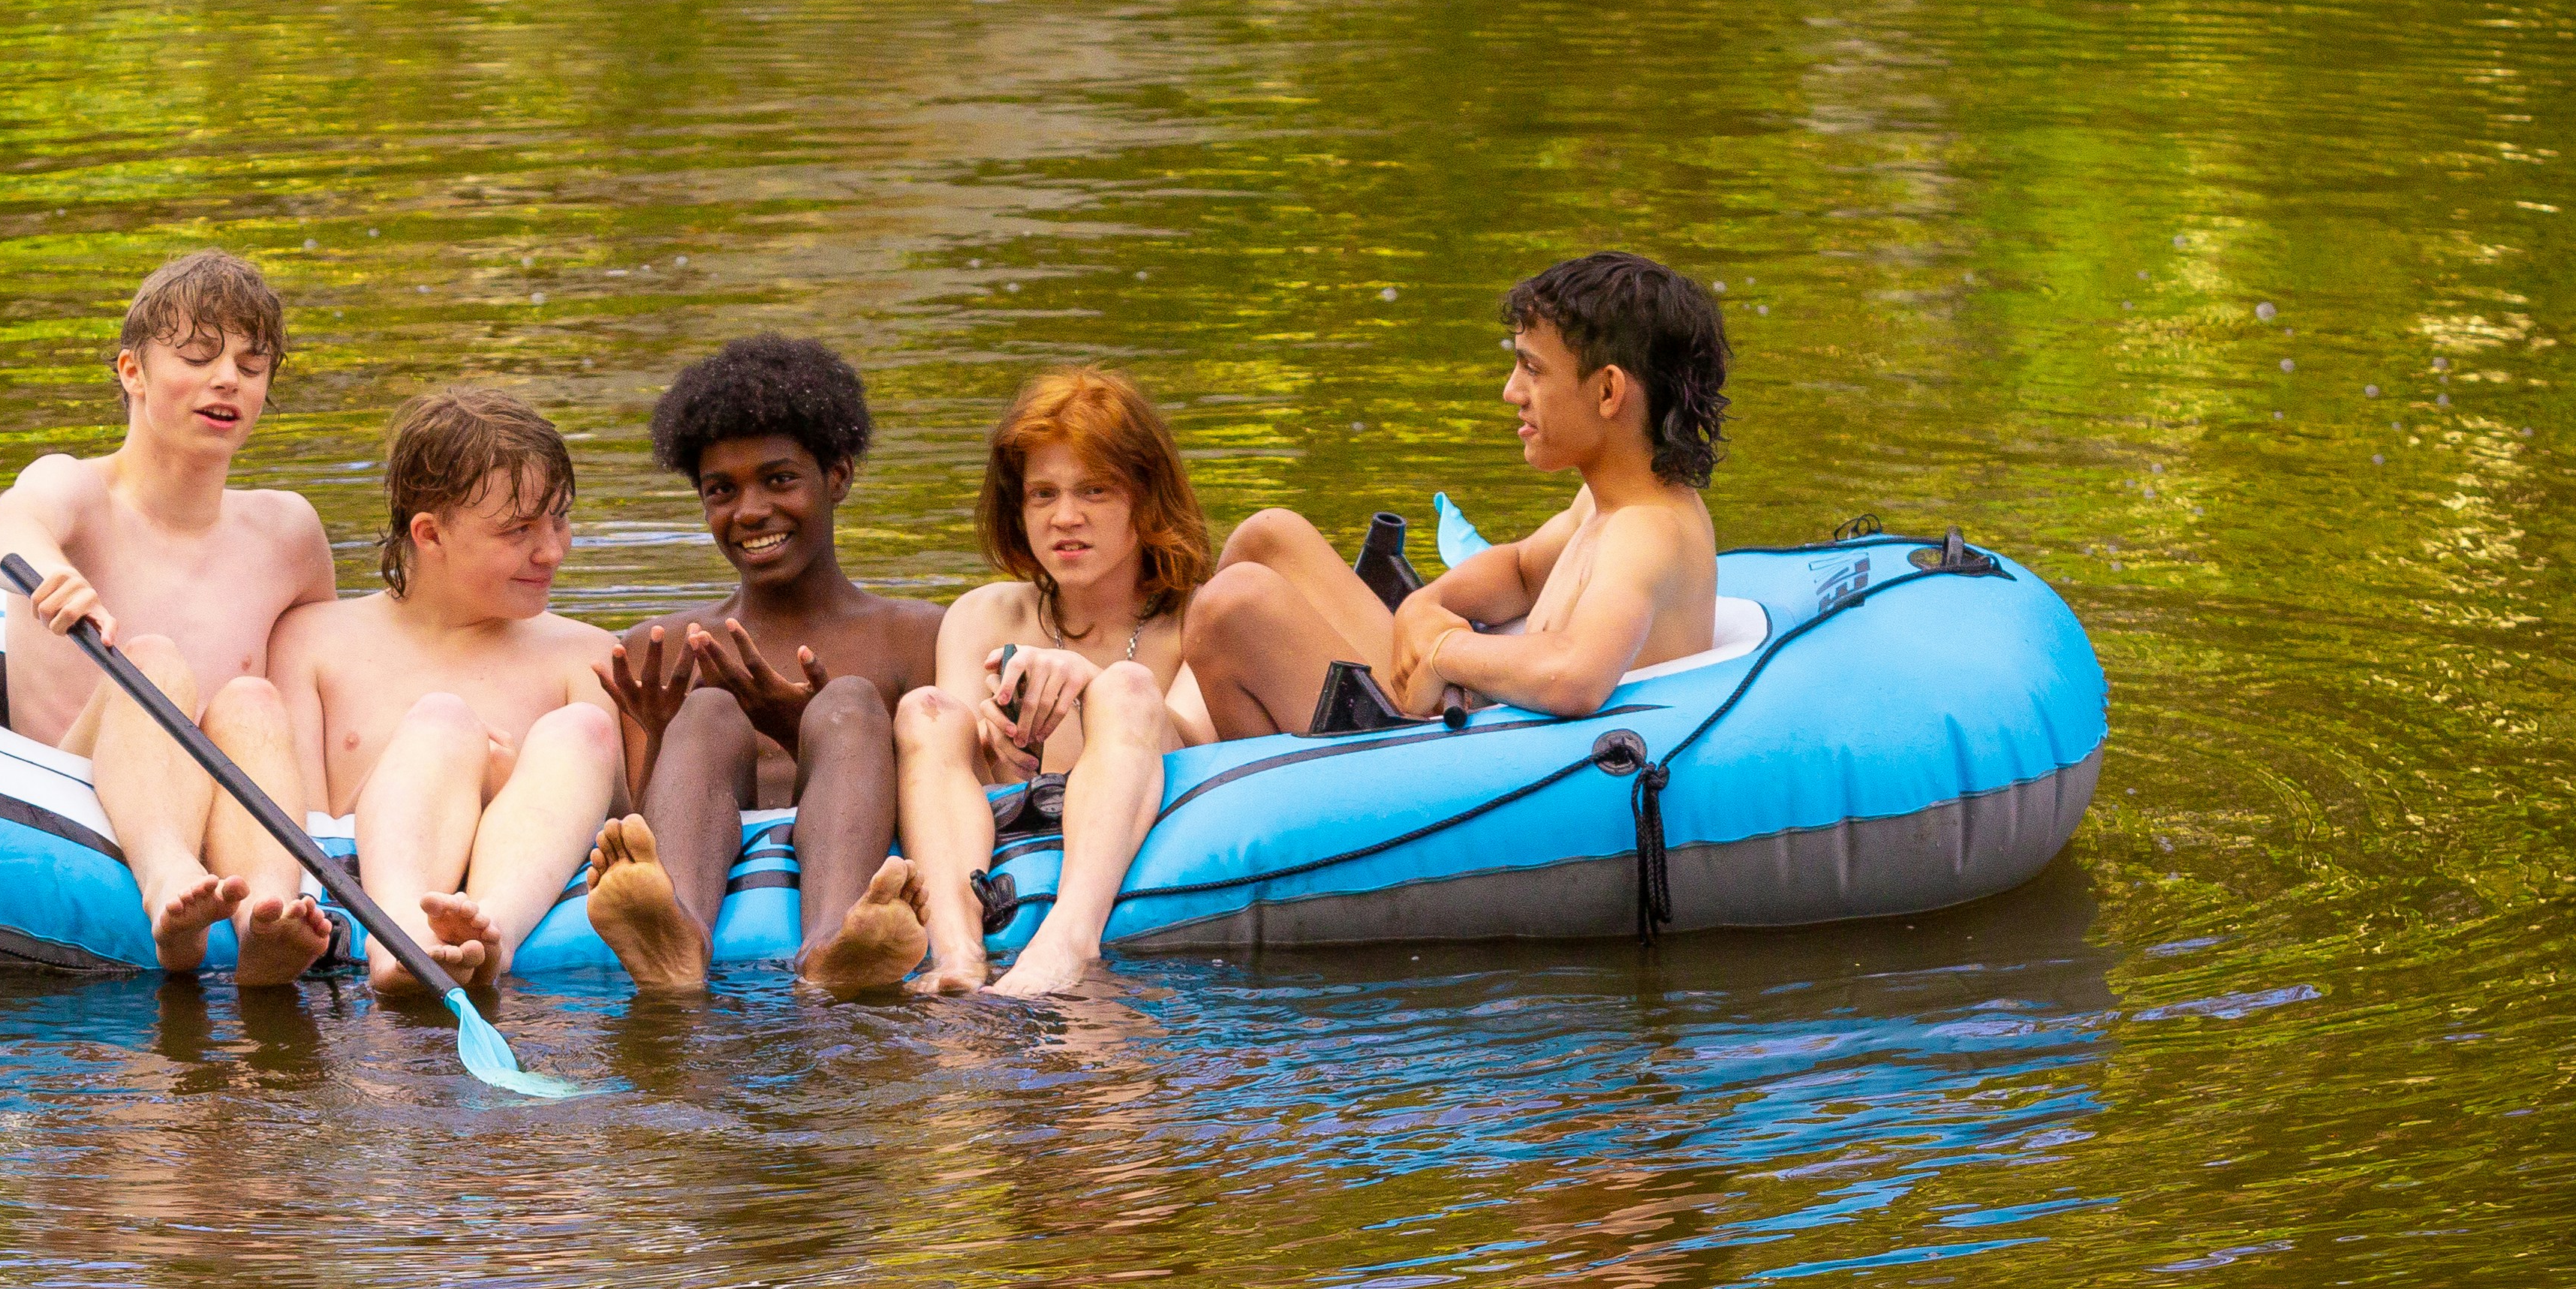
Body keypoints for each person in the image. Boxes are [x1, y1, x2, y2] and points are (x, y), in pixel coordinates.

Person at [0, 250, 339, 984]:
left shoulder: (288, 533)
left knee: (252, 698)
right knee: (157, 664)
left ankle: (267, 909)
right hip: (75, 791)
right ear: (132, 372)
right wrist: (53, 576)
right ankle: (166, 875)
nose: (228, 378)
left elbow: (326, 680)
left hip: (224, 797)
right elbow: (4, 530)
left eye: (251, 363)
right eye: (199, 356)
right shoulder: (75, 489)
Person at [1179, 251, 1730, 733]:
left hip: (1446, 777)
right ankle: (1170, 717)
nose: (1511, 391)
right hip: (1448, 721)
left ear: (1609, 391)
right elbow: (1518, 571)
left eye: (1532, 370)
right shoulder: (1604, 504)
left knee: (1230, 607)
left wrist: (1443, 652)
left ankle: (1210, 782)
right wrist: (1428, 605)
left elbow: (1576, 677)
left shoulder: (1646, 532)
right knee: (1268, 538)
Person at [581, 335, 948, 995]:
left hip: (851, 849)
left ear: (837, 477)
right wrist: (660, 730)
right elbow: (630, 826)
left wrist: (798, 727)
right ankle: (677, 936)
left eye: (779, 480)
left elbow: (955, 784)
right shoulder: (656, 648)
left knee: (848, 704)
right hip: (695, 857)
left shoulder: (915, 637)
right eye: (722, 490)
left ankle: (837, 942)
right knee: (707, 708)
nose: (749, 512)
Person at [266, 388, 624, 994]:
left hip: (516, 894)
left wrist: (508, 782)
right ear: (430, 535)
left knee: (580, 731)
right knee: (443, 724)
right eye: (518, 530)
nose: (553, 550)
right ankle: (401, 937)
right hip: (370, 891)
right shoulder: (313, 640)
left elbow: (611, 826)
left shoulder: (585, 655)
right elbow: (294, 819)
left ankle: (493, 938)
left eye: (560, 518)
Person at [890, 368, 1217, 999]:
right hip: (1005, 833)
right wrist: (992, 733)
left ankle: (1071, 939)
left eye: (1094, 490)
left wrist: (1090, 682)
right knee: (924, 709)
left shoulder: (1197, 621)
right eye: (1043, 494)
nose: (1065, 517)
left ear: (1146, 501)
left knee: (1126, 687)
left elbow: (1197, 751)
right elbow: (959, 763)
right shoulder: (983, 616)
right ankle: (956, 951)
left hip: (1151, 837)